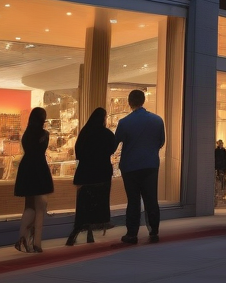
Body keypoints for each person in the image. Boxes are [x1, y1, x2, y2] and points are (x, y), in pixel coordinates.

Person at [115, 89, 165, 244]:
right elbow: (161, 142)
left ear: (130, 103)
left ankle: (132, 233)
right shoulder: (157, 120)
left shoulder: (124, 122)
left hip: (130, 167)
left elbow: (114, 143)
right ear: (143, 101)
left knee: (133, 200)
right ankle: (154, 231)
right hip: (150, 164)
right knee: (151, 199)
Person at [66, 107, 117, 246]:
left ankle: (77, 231)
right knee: (98, 202)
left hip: (85, 174)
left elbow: (78, 152)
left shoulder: (85, 132)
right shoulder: (106, 134)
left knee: (83, 204)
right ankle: (91, 231)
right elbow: (112, 149)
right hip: (102, 173)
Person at [14, 107, 54, 253]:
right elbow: (41, 150)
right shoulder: (44, 135)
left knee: (29, 204)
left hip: (26, 169)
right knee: (40, 207)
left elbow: (29, 149)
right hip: (40, 169)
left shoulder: (26, 135)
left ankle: (22, 237)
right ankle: (36, 242)